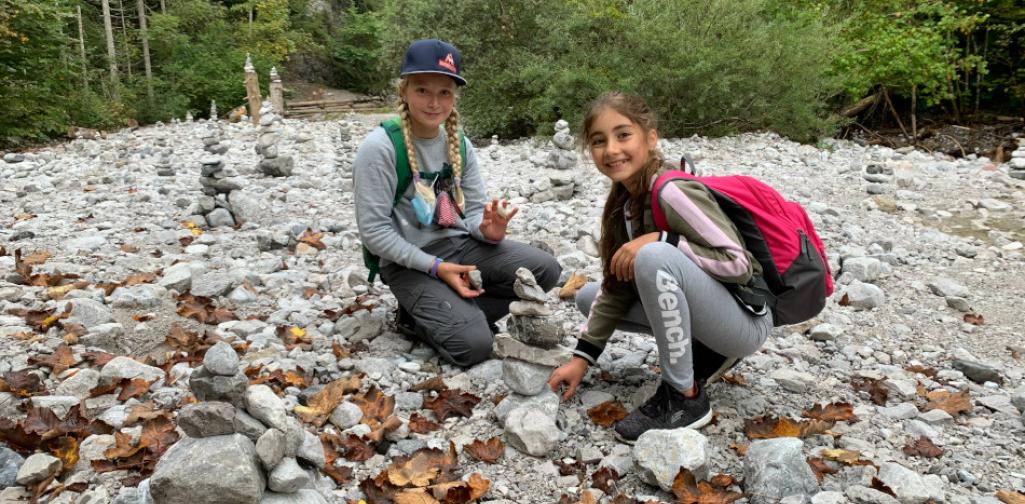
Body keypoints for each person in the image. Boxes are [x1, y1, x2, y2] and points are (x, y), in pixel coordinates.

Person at [547, 92, 773, 443]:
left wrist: (662, 240)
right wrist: (582, 358)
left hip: (746, 322)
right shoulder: (623, 201)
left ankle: (684, 398)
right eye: (598, 140)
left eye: (623, 135)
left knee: (652, 257)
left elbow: (739, 265)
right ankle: (707, 353)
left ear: (650, 137)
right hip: (711, 313)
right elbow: (616, 287)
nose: (611, 149)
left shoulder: (672, 191)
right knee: (589, 296)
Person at [354, 39, 561, 367]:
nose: (434, 102)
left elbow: (474, 211)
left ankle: (448, 312)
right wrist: (436, 269)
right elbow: (374, 233)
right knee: (476, 346)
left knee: (545, 269)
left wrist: (489, 231)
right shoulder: (379, 148)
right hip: (409, 263)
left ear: (454, 97)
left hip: (459, 248)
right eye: (423, 90)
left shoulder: (459, 143)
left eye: (445, 92)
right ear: (404, 91)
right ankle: (419, 316)